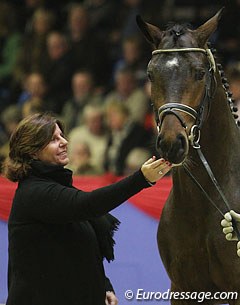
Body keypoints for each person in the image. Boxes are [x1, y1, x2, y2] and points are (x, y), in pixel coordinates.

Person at [2, 112, 171, 305]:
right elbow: (88, 205)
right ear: (32, 151)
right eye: (53, 139)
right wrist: (141, 179)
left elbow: (81, 252)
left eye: (62, 136)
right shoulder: (33, 192)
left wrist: (103, 286)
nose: (64, 142)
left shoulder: (57, 187)